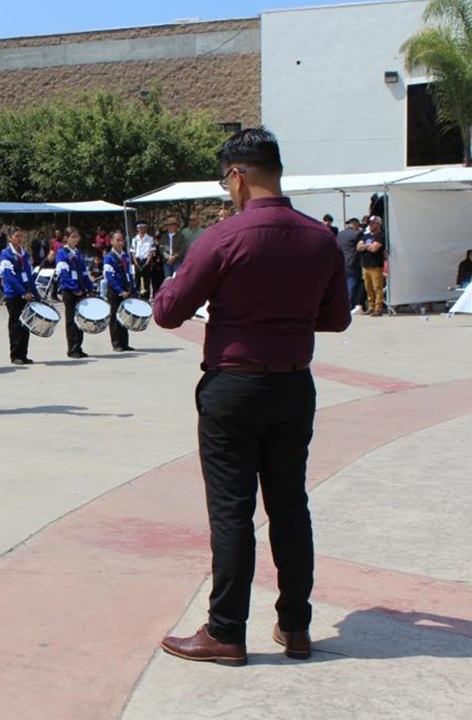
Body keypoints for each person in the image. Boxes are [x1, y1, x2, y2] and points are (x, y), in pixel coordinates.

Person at [154, 127, 350, 667]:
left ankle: (226, 632)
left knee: (232, 513)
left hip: (234, 387)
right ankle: (296, 626)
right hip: (293, 386)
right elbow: (337, 319)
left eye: (226, 180)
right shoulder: (321, 238)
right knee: (290, 507)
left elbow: (168, 311)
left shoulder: (222, 238)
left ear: (238, 176)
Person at [0, 225, 38, 365]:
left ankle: (24, 354)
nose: (20, 239)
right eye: (17, 236)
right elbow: (9, 277)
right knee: (16, 324)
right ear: (10, 238)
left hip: (27, 293)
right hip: (14, 295)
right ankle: (15, 355)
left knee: (26, 324)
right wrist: (22, 292)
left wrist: (35, 294)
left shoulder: (25, 254)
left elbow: (29, 275)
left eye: (21, 236)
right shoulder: (6, 254)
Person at [55, 226, 95, 359]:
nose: (75, 239)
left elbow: (84, 273)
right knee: (71, 320)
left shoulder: (78, 253)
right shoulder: (62, 253)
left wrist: (89, 287)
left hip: (80, 289)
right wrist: (75, 288)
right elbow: (64, 274)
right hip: (70, 290)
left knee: (80, 319)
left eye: (77, 237)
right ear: (66, 238)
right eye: (72, 237)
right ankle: (72, 348)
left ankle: (79, 346)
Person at [103, 229, 136, 353]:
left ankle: (125, 342)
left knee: (124, 316)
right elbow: (109, 277)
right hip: (115, 290)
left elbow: (129, 273)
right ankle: (116, 343)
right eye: (118, 240)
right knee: (115, 317)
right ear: (112, 242)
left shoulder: (125, 256)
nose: (120, 242)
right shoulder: (109, 257)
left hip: (126, 288)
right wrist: (120, 291)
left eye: (122, 240)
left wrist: (132, 287)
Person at [358, 215, 386, 316]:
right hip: (365, 266)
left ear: (378, 224)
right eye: (369, 223)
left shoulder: (381, 236)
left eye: (373, 223)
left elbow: (375, 249)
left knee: (377, 288)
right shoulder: (366, 236)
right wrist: (368, 246)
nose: (370, 225)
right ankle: (371, 307)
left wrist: (365, 246)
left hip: (376, 266)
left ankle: (378, 308)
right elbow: (358, 247)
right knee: (368, 288)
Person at [335, 218, 365, 314]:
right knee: (352, 284)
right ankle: (348, 306)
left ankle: (342, 305)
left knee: (344, 285)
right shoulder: (357, 234)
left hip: (341, 262)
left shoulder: (340, 234)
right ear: (355, 224)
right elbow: (362, 245)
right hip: (352, 262)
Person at [130, 221, 155, 295]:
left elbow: (152, 251)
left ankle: (146, 297)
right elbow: (133, 252)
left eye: (143, 227)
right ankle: (137, 295)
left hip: (146, 261)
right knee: (137, 280)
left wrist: (147, 263)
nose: (141, 229)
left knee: (146, 280)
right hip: (137, 261)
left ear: (146, 228)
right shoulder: (134, 239)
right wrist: (136, 264)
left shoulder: (150, 239)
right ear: (137, 229)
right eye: (139, 228)